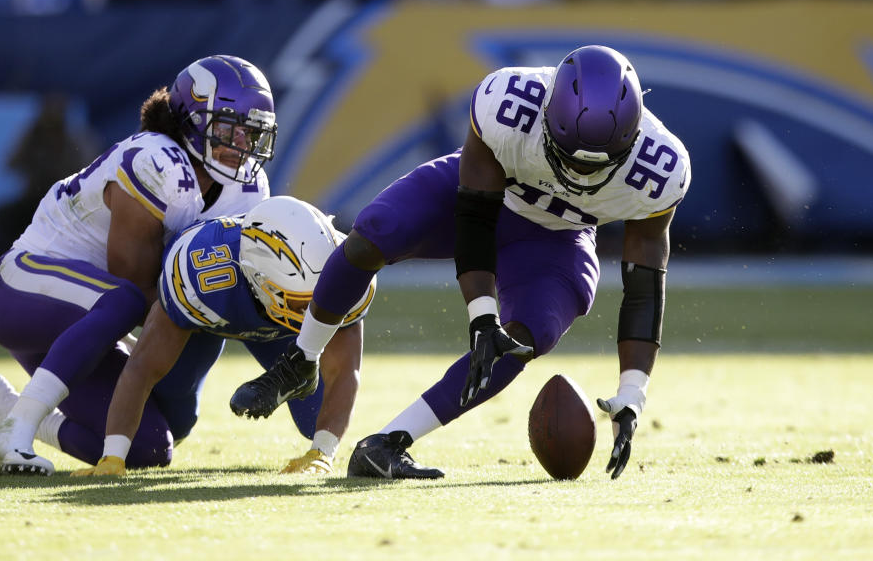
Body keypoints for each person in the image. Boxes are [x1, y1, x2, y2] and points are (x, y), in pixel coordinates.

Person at [232, 45, 690, 479]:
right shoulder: (508, 103)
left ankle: (389, 443)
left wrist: (632, 393)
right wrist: (481, 315)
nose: (577, 174)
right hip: (488, 199)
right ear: (546, 114)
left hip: (558, 238)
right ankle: (300, 360)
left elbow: (645, 286)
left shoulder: (660, 168)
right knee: (373, 234)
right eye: (569, 158)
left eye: (595, 167)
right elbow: (474, 218)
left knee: (523, 337)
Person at [0, 54, 278, 476]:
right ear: (191, 120)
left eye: (250, 131)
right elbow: (132, 284)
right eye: (228, 128)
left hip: (87, 327)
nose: (241, 143)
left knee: (148, 449)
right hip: (21, 289)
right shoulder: (156, 159)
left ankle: (4, 412)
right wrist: (210, 309)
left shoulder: (247, 189)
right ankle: (15, 433)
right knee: (128, 299)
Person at [63, 196, 370, 476]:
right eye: (299, 303)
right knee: (173, 421)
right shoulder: (200, 279)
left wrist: (322, 453)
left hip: (275, 326)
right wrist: (113, 457)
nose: (310, 314)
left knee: (316, 415)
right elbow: (142, 368)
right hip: (216, 316)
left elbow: (344, 371)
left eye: (316, 302)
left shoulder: (346, 274)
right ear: (258, 277)